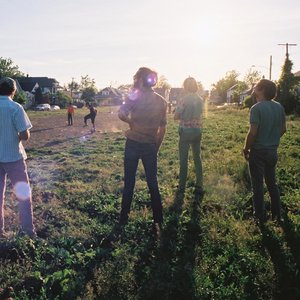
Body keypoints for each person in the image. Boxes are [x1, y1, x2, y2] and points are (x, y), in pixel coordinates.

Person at [118, 67, 167, 232]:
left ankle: (123, 217)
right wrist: (156, 146)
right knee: (153, 183)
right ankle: (158, 220)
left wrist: (130, 122)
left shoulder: (134, 96)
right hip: (150, 146)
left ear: (139, 79)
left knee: (129, 183)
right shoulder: (162, 101)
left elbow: (121, 113)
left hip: (132, 142)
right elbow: (163, 129)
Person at [243, 79, 286, 224]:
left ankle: (260, 217)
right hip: (272, 151)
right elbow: (283, 129)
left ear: (261, 90)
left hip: (258, 152)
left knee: (257, 185)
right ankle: (277, 214)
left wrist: (246, 148)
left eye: (256, 86)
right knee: (272, 183)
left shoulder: (256, 108)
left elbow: (253, 133)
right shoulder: (279, 107)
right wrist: (271, 139)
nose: (254, 88)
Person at [0, 77, 36, 238]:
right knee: (23, 195)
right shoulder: (15, 107)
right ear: (13, 91)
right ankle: (28, 232)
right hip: (13, 157)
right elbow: (24, 135)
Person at [174, 77, 204, 195]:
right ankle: (199, 184)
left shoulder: (183, 100)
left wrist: (178, 116)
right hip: (197, 131)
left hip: (185, 131)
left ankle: (182, 186)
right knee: (197, 158)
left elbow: (177, 115)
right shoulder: (200, 99)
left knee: (184, 160)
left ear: (185, 86)